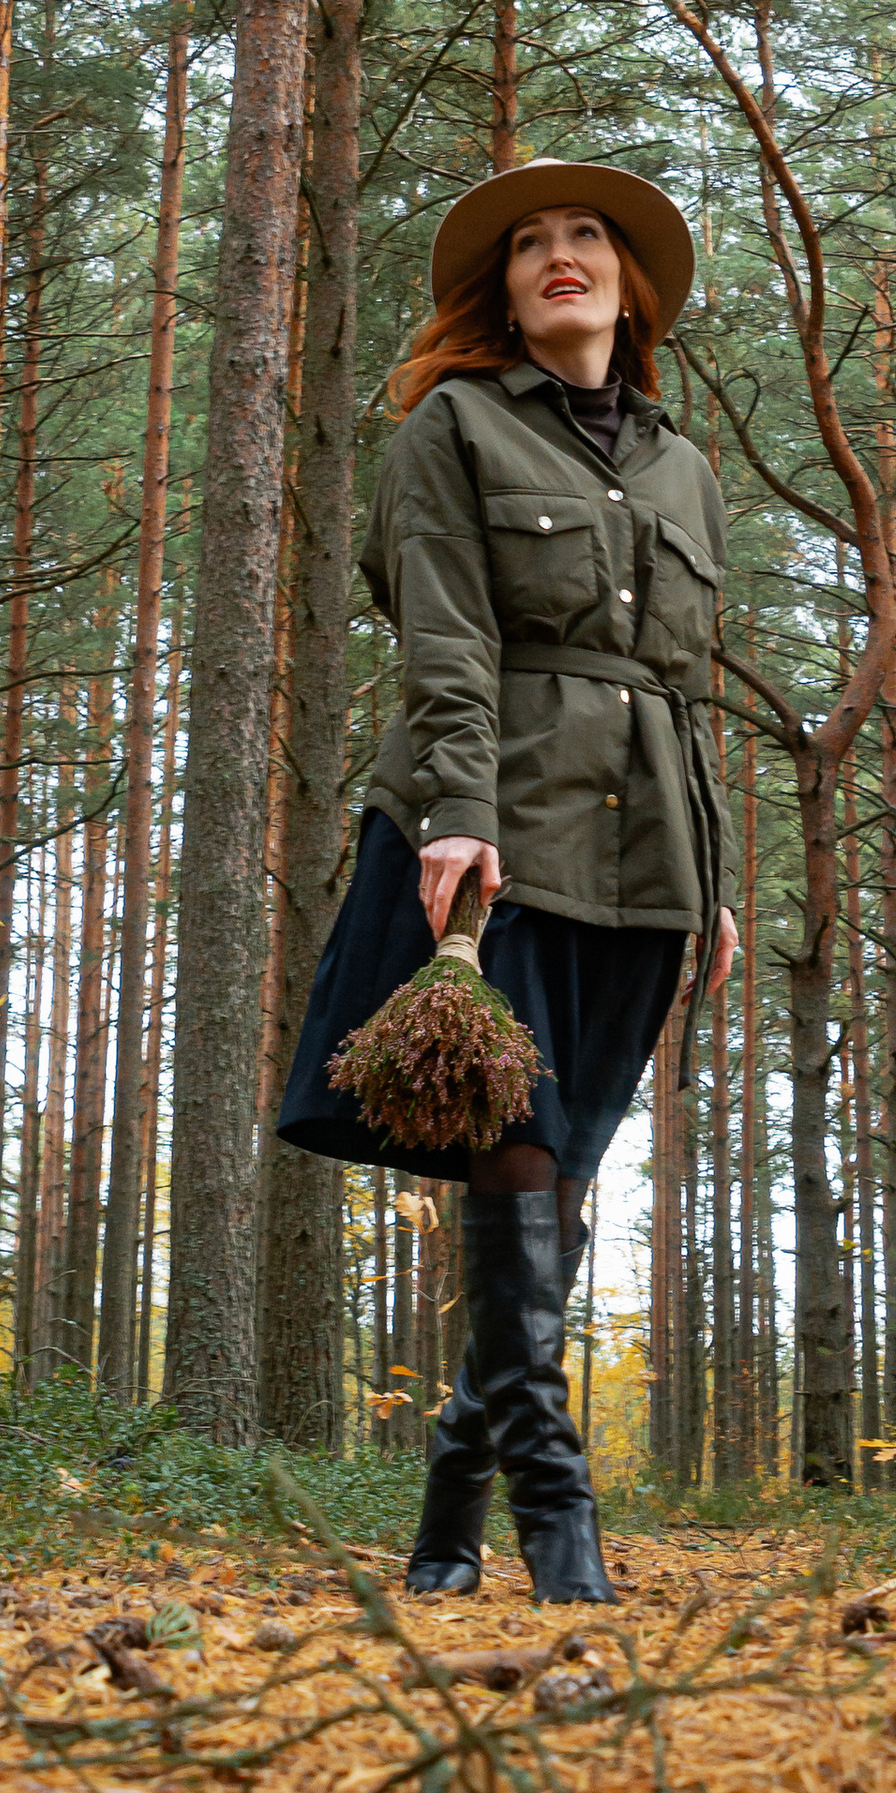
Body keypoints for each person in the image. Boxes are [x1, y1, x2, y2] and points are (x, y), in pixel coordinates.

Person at [276, 161, 738, 1605]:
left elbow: (688, 686)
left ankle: (441, 1525)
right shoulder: (451, 428)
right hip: (497, 833)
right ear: (505, 289)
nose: (561, 257)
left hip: (648, 852)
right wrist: (461, 819)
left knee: (567, 1175)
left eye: (586, 237)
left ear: (628, 283)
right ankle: (561, 1526)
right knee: (516, 1147)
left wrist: (715, 877)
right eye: (532, 243)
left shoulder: (686, 468)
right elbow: (447, 638)